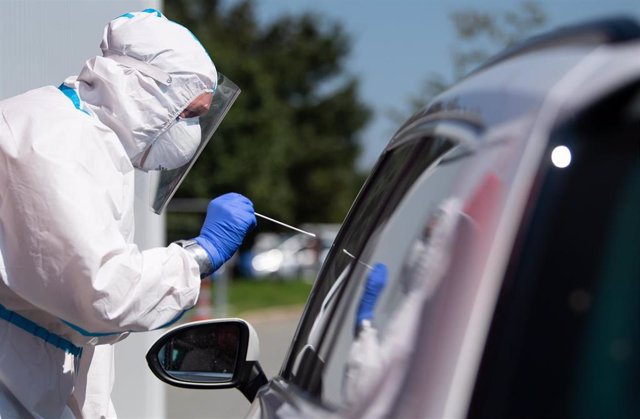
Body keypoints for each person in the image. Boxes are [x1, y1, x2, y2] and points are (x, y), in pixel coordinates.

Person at [0, 9, 255, 419]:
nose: (189, 132)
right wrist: (200, 254)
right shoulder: (50, 140)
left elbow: (81, 332)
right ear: (146, 89)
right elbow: (101, 293)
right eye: (188, 114)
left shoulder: (94, 143)